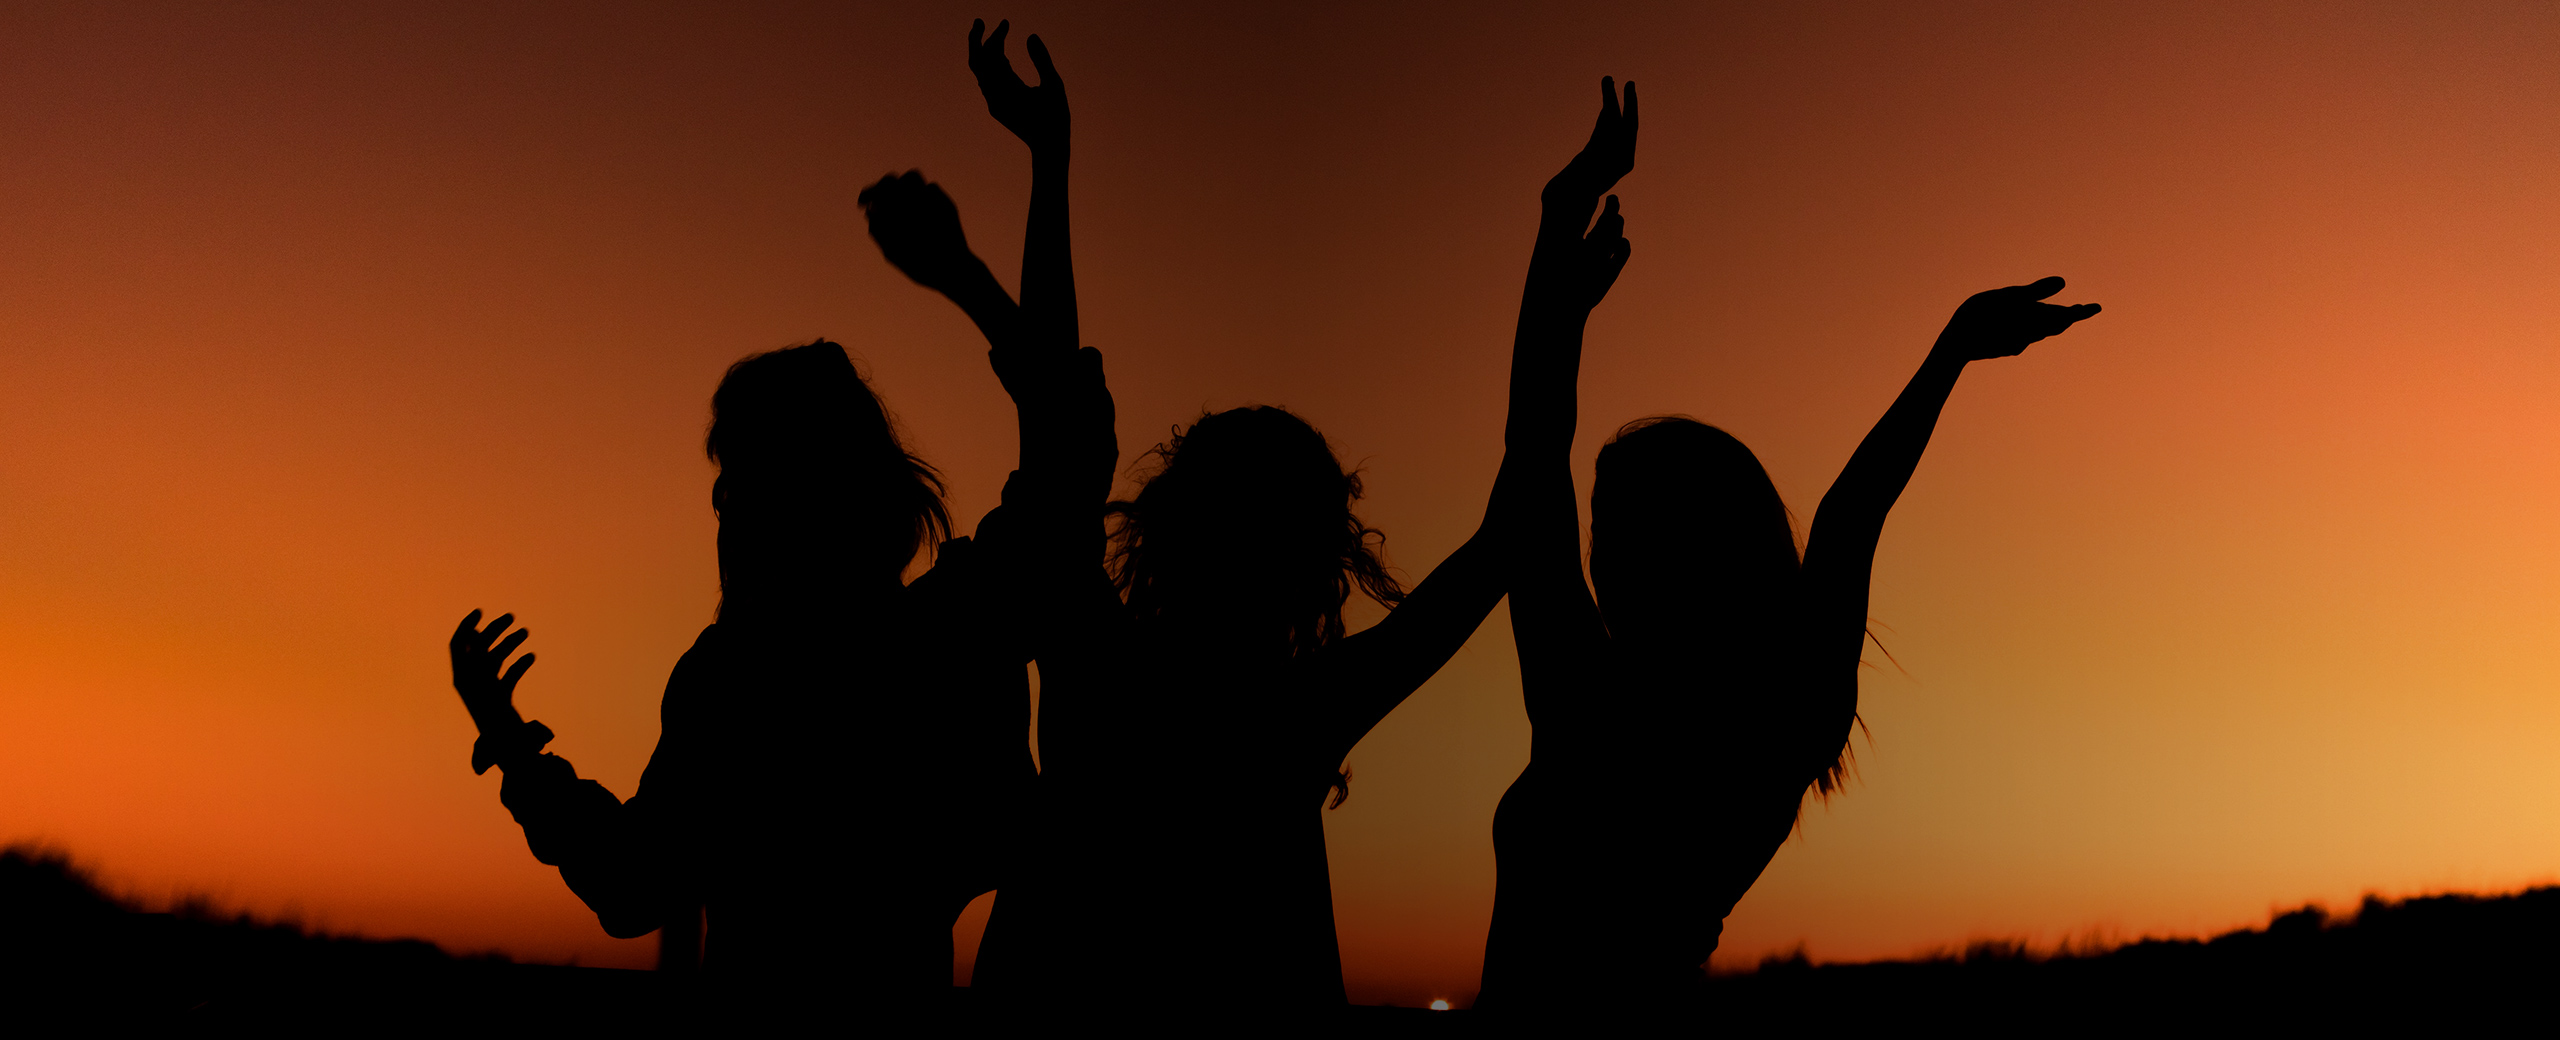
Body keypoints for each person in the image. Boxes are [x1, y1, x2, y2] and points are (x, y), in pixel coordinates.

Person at [443, 17, 1109, 1015]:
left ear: (795, 500)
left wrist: (510, 741)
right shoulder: (936, 638)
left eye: (739, 476)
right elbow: (1065, 449)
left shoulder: (736, 681)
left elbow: (631, 885)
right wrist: (1015, 205)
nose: (718, 503)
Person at [966, 79, 1640, 1020]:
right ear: (1321, 562)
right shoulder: (1298, 711)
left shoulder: (1099, 661)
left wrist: (1049, 162)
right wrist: (1554, 274)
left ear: (1168, 525)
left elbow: (1054, 415)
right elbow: (1516, 512)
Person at [1474, 108, 2102, 1013]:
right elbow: (1849, 512)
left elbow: (1536, 453)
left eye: (1617, 531)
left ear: (1684, 549)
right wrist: (1949, 352)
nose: (1597, 556)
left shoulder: (1598, 702)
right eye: (1599, 531)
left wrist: (1554, 253)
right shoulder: (1780, 711)